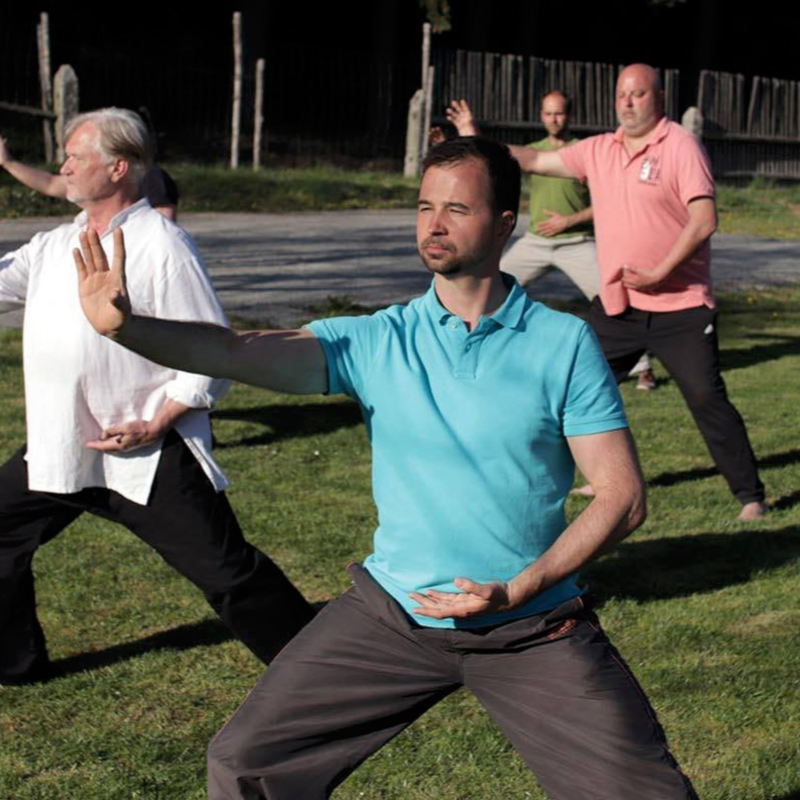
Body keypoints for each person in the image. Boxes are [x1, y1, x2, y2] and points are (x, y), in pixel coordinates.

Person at [75, 136, 698, 799]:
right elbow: (239, 350)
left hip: (529, 627)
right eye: (425, 206)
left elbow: (621, 497)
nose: (434, 224)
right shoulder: (379, 340)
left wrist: (518, 590)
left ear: (505, 222)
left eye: (457, 208)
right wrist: (128, 329)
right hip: (394, 616)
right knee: (247, 763)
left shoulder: (561, 342)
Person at [0, 107, 313, 686]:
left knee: (227, 572)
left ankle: (318, 669)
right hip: (59, 447)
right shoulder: (55, 244)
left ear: (118, 167)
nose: (62, 167)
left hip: (144, 451)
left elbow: (213, 351)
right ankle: (15, 665)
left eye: (75, 156)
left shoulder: (162, 244)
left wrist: (159, 421)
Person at [449, 64, 766, 522]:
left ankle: (750, 496)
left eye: (638, 93)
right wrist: (472, 138)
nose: (628, 102)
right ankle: (584, 479)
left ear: (658, 97)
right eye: (622, 94)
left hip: (682, 306)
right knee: (575, 389)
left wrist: (660, 272)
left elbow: (704, 220)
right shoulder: (599, 150)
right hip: (620, 306)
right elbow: (534, 160)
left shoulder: (680, 146)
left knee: (705, 397)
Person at [445, 92, 657, 391]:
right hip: (536, 242)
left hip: (577, 242)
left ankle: (643, 367)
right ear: (541, 116)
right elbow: (494, 159)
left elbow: (609, 201)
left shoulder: (585, 151)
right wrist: (471, 133)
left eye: (558, 113)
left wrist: (568, 221)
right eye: (547, 113)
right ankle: (470, 355)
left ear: (569, 116)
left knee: (616, 298)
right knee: (485, 288)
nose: (553, 119)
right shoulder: (534, 151)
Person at [0, 133, 180, 221]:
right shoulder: (56, 241)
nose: (65, 169)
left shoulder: (152, 177)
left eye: (78, 158)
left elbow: (164, 225)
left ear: (118, 167)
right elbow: (50, 184)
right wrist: (8, 163)